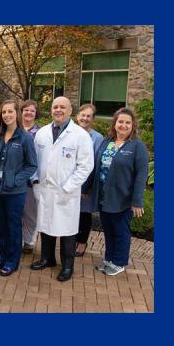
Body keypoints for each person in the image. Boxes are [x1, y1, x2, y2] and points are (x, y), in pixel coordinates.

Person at [30, 96, 94, 282]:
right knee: (46, 225)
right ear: (51, 110)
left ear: (70, 110)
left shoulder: (80, 135)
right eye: (54, 106)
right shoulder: (42, 133)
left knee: (67, 230)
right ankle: (47, 258)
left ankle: (67, 266)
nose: (58, 110)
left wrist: (69, 187)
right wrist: (35, 181)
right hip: (45, 189)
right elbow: (34, 161)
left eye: (62, 107)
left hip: (66, 193)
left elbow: (86, 166)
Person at [88, 108, 149, 276]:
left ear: (133, 125)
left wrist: (137, 201)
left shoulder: (137, 146)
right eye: (120, 121)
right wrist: (87, 188)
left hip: (123, 198)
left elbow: (141, 175)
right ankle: (109, 259)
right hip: (103, 197)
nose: (123, 125)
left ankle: (119, 262)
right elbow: (96, 166)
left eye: (127, 122)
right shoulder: (107, 141)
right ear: (114, 123)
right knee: (108, 229)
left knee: (121, 231)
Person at [0, 100, 38, 276]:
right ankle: (2, 256)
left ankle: (12, 261)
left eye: (10, 111)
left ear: (17, 113)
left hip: (15, 192)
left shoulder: (24, 138)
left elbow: (32, 166)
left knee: (14, 226)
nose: (6, 115)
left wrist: (16, 180)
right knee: (1, 226)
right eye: (4, 112)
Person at [74, 104, 105, 257]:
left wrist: (87, 187)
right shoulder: (69, 133)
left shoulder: (97, 138)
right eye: (83, 115)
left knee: (84, 214)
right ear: (77, 116)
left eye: (88, 116)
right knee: (72, 213)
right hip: (69, 183)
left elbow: (97, 164)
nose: (85, 118)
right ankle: (72, 239)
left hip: (86, 184)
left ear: (92, 119)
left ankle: (82, 243)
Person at [20, 99, 41, 254]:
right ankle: (16, 239)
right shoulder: (15, 129)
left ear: (36, 113)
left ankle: (28, 241)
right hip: (14, 178)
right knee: (16, 212)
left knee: (30, 212)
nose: (28, 113)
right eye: (26, 110)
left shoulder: (40, 133)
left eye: (32, 110)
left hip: (31, 180)